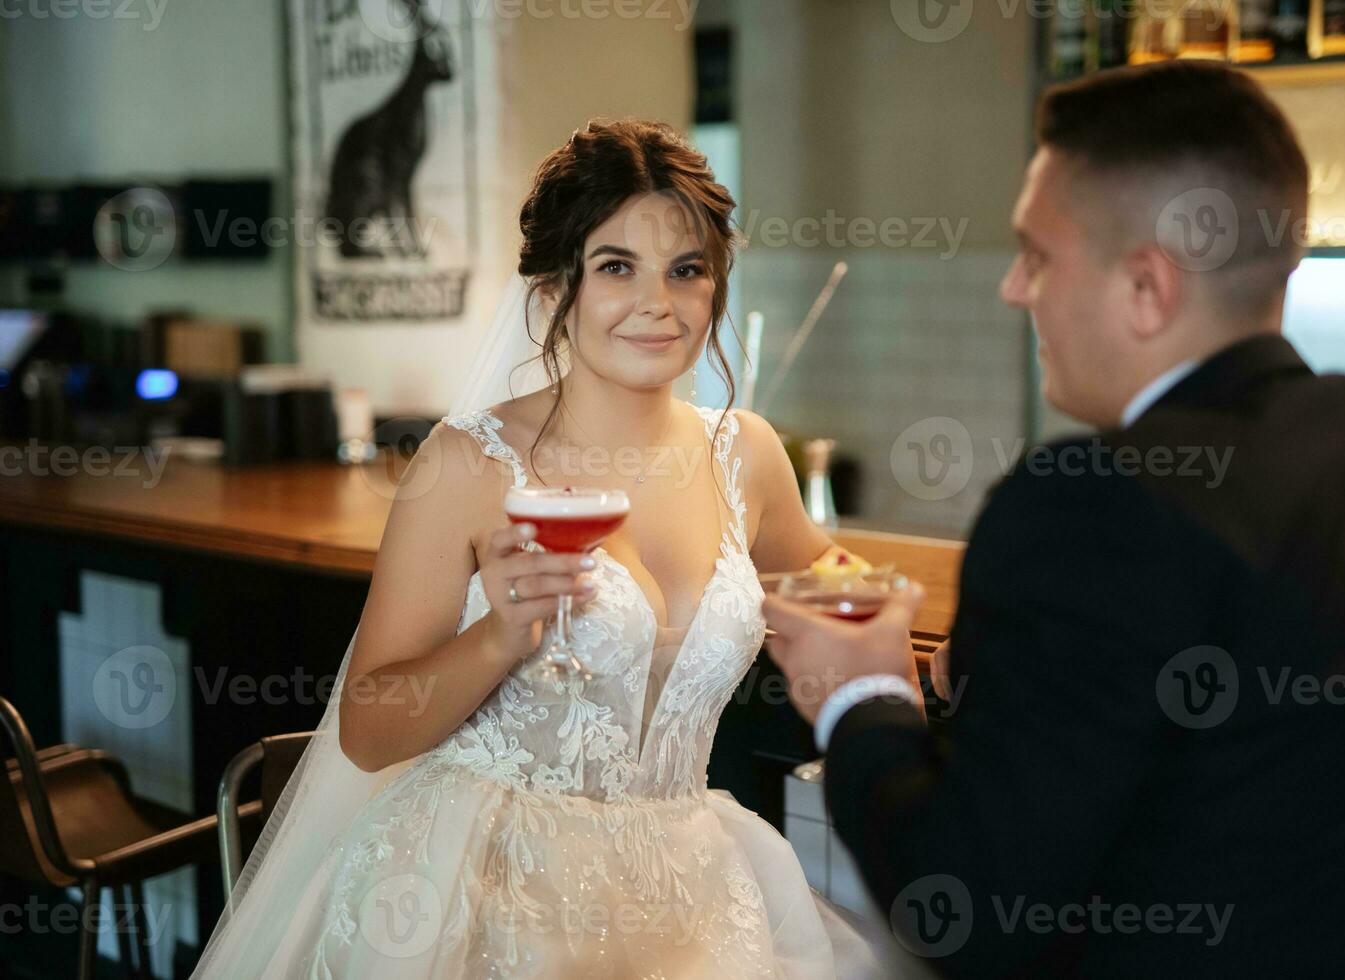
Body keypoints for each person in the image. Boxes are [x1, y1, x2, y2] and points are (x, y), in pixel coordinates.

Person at [763, 61, 1345, 977]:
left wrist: (858, 696)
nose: (1016, 290)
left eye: (1038, 255)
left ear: (1148, 288)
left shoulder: (1088, 501)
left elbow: (967, 908)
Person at [192, 119, 921, 977]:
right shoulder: (466, 463)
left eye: (687, 270)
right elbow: (368, 730)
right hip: (478, 893)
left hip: (687, 892)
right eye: (617, 267)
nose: (660, 302)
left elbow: (842, 589)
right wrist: (498, 634)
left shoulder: (747, 453)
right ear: (553, 290)